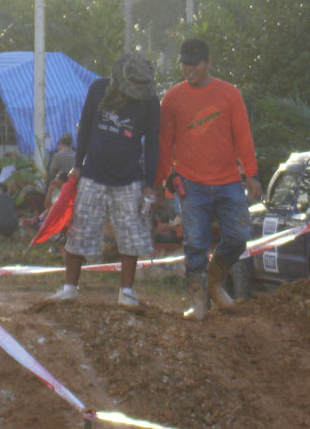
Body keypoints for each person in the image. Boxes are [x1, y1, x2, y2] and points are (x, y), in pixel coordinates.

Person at [155, 38, 263, 320]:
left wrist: (251, 174)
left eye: (195, 64)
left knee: (239, 236)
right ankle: (198, 301)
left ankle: (215, 280)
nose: (189, 70)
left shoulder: (229, 94)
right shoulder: (172, 98)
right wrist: (159, 181)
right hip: (191, 183)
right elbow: (165, 143)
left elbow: (243, 136)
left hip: (228, 180)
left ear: (208, 63)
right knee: (195, 243)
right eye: (184, 65)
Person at [50, 52, 160, 307]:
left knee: (131, 233)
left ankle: (127, 292)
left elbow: (153, 143)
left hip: (130, 177)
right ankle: (69, 287)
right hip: (93, 173)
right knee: (80, 229)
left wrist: (149, 184)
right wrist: (78, 166)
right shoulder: (98, 89)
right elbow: (86, 126)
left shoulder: (150, 102)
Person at [43, 133, 76, 208]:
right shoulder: (76, 155)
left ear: (61, 142)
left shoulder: (58, 155)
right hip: (73, 187)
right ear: (71, 143)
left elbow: (52, 172)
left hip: (60, 187)